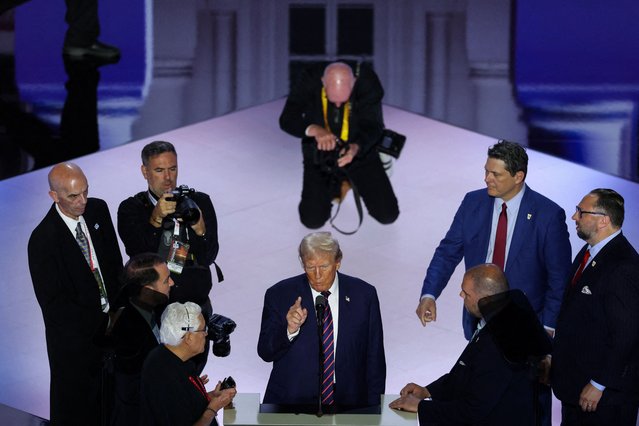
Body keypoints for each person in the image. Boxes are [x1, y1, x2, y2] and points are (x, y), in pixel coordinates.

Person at [28, 162, 123, 424]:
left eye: (85, 191)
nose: (83, 201)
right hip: (77, 346)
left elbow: (114, 265)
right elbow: (55, 307)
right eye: (73, 196)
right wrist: (100, 326)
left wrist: (119, 314)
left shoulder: (98, 209)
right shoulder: (42, 241)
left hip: (113, 329)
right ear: (54, 196)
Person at [117, 140, 221, 373]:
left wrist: (200, 230)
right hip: (155, 309)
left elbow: (209, 255)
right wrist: (155, 219)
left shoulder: (199, 202)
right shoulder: (131, 209)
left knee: (192, 373)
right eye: (159, 170)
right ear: (145, 171)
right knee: (156, 373)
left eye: (172, 169)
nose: (168, 178)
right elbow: (137, 255)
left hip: (194, 304)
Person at [391, 264, 538, 425]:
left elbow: (473, 409)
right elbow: (464, 372)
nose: (461, 295)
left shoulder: (499, 344)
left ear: (485, 298)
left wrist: (421, 407)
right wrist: (428, 391)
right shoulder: (497, 319)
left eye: (466, 293)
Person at [257, 231, 386, 407]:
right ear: (302, 263)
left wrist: (374, 411)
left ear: (338, 262)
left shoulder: (364, 295)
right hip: (292, 404)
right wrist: (289, 330)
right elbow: (265, 351)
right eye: (310, 267)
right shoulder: (279, 294)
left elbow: (375, 359)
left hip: (349, 404)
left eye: (324, 266)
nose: (317, 275)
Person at [552, 189, 639, 425]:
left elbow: (628, 334)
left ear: (604, 220)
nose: (574, 217)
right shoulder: (590, 251)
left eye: (581, 212)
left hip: (603, 400)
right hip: (578, 388)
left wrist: (600, 382)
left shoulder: (624, 267)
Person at [279, 61, 399, 229]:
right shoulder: (308, 78)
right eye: (332, 100)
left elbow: (374, 126)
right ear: (323, 82)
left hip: (358, 151)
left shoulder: (367, 81)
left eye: (343, 100)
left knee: (388, 215)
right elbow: (286, 119)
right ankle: (339, 184)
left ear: (354, 83)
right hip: (320, 153)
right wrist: (313, 129)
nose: (337, 105)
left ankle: (354, 177)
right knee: (312, 221)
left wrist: (357, 147)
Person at [140, 302, 236, 426]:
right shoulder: (166, 379)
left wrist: (211, 396)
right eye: (203, 330)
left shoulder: (166, 355)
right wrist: (213, 409)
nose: (206, 334)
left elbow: (183, 406)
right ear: (189, 337)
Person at [110, 253, 174, 426]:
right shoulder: (127, 331)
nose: (172, 283)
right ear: (148, 289)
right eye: (166, 280)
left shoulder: (151, 306)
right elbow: (135, 389)